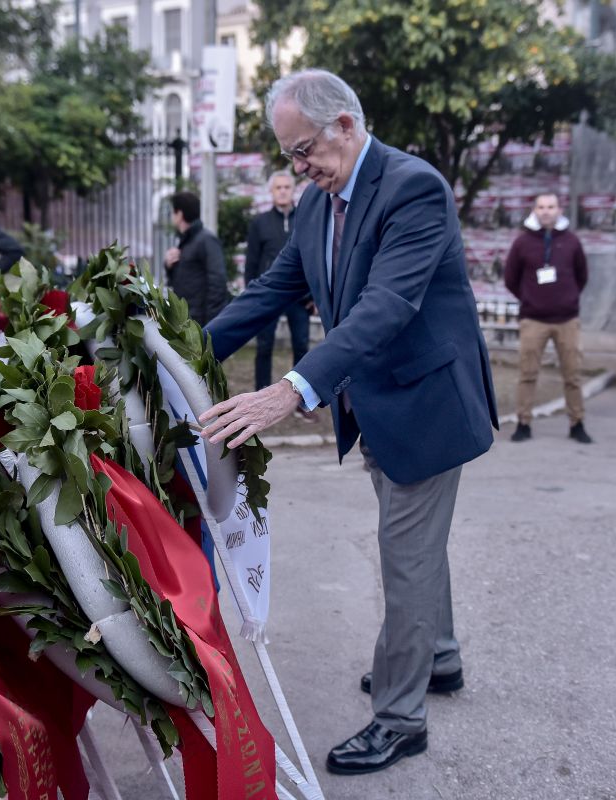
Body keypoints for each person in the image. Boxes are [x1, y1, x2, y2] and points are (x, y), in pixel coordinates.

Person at [198, 69, 497, 776]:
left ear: (346, 126)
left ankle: (400, 719)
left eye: (305, 150)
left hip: (425, 409)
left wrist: (295, 388)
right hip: (376, 407)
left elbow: (386, 306)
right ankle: (441, 659)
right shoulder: (313, 206)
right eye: (289, 157)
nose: (298, 167)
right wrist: (185, 349)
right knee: (415, 548)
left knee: (405, 557)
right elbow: (272, 290)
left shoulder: (412, 188)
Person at [503, 193, 592, 444]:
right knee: (527, 373)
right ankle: (523, 423)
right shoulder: (522, 243)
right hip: (533, 320)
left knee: (573, 375)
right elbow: (510, 278)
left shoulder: (572, 241)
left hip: (567, 320)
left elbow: (581, 275)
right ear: (534, 210)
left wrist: (568, 298)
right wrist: (530, 298)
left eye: (550, 207)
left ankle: (577, 423)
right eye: (541, 207)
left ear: (559, 209)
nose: (546, 211)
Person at [245, 171, 314, 405]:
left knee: (301, 346)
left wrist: (314, 296)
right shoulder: (259, 223)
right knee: (264, 347)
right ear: (271, 192)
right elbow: (251, 263)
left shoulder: (305, 219)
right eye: (278, 187)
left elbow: (315, 259)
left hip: (300, 297)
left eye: (287, 187)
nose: (283, 191)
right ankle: (260, 396)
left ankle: (301, 401)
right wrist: (251, 297)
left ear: (293, 190)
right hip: (268, 295)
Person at [163, 192, 229, 326]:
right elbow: (185, 278)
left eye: (173, 212)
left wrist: (211, 322)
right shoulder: (187, 241)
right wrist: (168, 265)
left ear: (179, 214)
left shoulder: (206, 240)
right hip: (187, 319)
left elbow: (218, 281)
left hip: (201, 321)